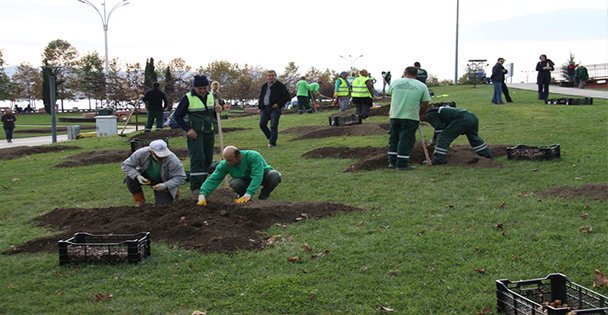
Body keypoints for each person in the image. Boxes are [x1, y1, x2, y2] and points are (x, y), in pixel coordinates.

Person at [173, 75, 222, 194]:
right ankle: (195, 187)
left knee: (208, 159)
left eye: (204, 88)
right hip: (195, 134)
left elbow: (213, 115)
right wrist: (188, 129)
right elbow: (177, 116)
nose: (202, 91)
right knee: (197, 158)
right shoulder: (188, 98)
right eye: (199, 88)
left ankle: (204, 185)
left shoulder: (211, 96)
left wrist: (219, 110)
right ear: (194, 87)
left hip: (209, 132)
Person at [197, 146, 282, 205]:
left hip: (263, 175)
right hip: (244, 180)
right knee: (235, 183)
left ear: (239, 157)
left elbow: (257, 175)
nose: (228, 163)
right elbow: (214, 179)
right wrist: (203, 194)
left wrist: (249, 193)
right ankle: (243, 197)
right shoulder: (225, 164)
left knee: (274, 176)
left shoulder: (253, 156)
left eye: (230, 160)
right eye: (226, 160)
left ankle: (263, 198)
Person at [386, 66, 431, 170]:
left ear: (404, 73)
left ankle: (392, 162)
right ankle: (402, 164)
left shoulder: (396, 82)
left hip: (395, 115)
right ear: (416, 75)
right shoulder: (422, 86)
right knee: (406, 140)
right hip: (411, 117)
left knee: (394, 138)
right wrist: (420, 114)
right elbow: (425, 103)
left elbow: (389, 93)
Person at [121, 139, 186, 206]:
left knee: (163, 206)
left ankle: (174, 195)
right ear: (151, 152)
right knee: (130, 179)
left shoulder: (173, 160)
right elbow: (126, 165)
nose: (162, 157)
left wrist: (165, 185)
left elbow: (180, 177)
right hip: (145, 176)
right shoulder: (141, 153)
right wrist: (138, 176)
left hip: (163, 181)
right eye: (159, 156)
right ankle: (140, 202)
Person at [423, 106, 494, 165]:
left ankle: (438, 160)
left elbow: (439, 129)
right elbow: (442, 127)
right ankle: (487, 155)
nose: (422, 121)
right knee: (474, 138)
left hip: (462, 119)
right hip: (472, 117)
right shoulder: (435, 110)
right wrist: (432, 142)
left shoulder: (428, 115)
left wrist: (433, 142)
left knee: (443, 137)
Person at [258, 70, 290, 148]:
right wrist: (260, 106)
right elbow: (261, 96)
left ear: (275, 76)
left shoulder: (280, 86)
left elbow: (287, 97)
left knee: (273, 125)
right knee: (262, 124)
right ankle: (271, 137)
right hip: (265, 108)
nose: (271, 77)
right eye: (269, 76)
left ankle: (272, 143)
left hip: (275, 109)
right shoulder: (264, 86)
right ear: (267, 77)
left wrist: (279, 104)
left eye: (272, 75)